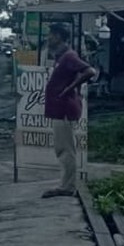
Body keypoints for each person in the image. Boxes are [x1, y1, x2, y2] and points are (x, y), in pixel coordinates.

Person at [43, 23, 97, 198]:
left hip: (64, 108)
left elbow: (90, 71)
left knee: (66, 149)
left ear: (59, 36)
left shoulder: (69, 56)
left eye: (51, 35)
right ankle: (66, 184)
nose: (48, 38)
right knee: (62, 148)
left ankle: (68, 186)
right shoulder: (62, 57)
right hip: (60, 108)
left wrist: (69, 88)